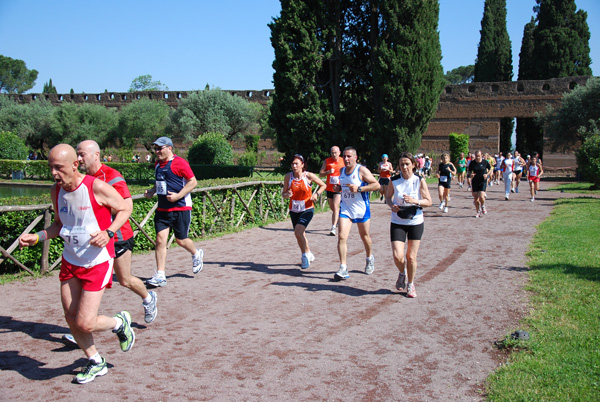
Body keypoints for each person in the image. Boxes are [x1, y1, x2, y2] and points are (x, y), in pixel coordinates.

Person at [19, 144, 135, 384]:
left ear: (75, 165)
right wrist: (38, 237)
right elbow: (60, 225)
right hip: (71, 260)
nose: (54, 173)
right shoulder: (56, 191)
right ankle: (95, 361)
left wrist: (110, 232)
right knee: (71, 318)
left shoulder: (96, 187)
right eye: (50, 167)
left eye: (58, 168)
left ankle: (119, 322)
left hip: (97, 261)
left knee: (85, 322)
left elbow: (126, 207)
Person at [76, 140, 158, 323]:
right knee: (88, 280)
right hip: (94, 239)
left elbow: (127, 206)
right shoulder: (81, 179)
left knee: (125, 279)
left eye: (82, 154)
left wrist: (101, 210)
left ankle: (148, 298)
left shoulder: (111, 176)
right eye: (77, 154)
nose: (79, 159)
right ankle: (83, 323)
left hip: (118, 236)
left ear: (96, 155)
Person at [144, 137, 203, 287]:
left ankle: (196, 254)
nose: (157, 151)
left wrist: (178, 196)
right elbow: (160, 182)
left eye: (159, 148)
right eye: (155, 149)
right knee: (160, 240)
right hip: (163, 209)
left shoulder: (180, 163)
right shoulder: (157, 164)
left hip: (181, 208)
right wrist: (151, 191)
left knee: (181, 240)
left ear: (169, 148)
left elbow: (193, 182)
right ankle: (160, 275)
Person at [385, 152, 432, 298]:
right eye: (401, 164)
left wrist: (415, 201)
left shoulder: (419, 180)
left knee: (411, 257)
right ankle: (402, 273)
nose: (404, 167)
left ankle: (410, 285)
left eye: (407, 164)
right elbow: (388, 197)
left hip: (415, 221)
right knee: (398, 256)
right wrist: (391, 205)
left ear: (413, 164)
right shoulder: (394, 180)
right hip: (398, 220)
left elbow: (428, 201)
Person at [331, 147, 380, 280]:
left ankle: (369, 257)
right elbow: (343, 187)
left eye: (349, 156)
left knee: (365, 236)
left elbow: (376, 185)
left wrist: (360, 188)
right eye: (345, 157)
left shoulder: (361, 170)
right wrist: (339, 188)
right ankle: (343, 267)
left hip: (361, 209)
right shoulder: (341, 171)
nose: (346, 159)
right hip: (346, 208)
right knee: (341, 236)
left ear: (355, 157)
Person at [281, 154, 326, 269]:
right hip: (294, 209)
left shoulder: (308, 176)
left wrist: (317, 194)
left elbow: (323, 185)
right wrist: (287, 194)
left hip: (307, 208)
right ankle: (309, 253)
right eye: (292, 164)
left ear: (302, 164)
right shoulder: (288, 177)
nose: (294, 166)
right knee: (300, 234)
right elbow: (284, 194)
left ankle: (304, 256)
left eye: (296, 163)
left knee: (298, 232)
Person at [319, 146, 345, 236]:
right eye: (332, 153)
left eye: (335, 152)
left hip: (339, 188)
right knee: (333, 208)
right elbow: (320, 174)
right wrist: (328, 172)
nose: (334, 154)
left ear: (339, 152)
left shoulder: (343, 161)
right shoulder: (327, 161)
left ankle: (333, 228)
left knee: (335, 205)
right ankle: (338, 218)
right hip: (329, 188)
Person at [468, 150, 491, 218]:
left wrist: (487, 174)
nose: (477, 157)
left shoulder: (485, 162)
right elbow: (469, 171)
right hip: (475, 181)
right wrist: (471, 174)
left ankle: (483, 206)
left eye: (479, 156)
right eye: (476, 156)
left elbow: (490, 169)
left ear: (481, 155)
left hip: (482, 181)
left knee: (481, 196)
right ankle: (478, 211)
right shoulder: (472, 163)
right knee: (476, 198)